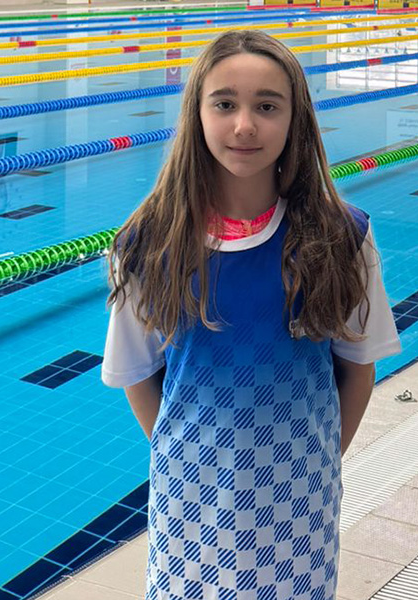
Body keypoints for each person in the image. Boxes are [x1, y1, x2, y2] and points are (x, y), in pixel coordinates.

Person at [102, 29, 401, 600]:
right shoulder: (148, 244)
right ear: (197, 114)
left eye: (267, 106)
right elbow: (137, 375)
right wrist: (191, 457)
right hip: (190, 503)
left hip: (301, 503)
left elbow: (357, 368)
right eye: (224, 104)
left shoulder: (342, 237)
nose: (244, 126)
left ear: (295, 120)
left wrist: (313, 463)